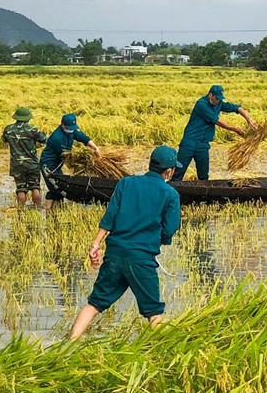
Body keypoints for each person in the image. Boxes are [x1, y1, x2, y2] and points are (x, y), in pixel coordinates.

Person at [69, 145, 182, 339]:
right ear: (169, 171)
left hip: (115, 253)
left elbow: (110, 216)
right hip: (141, 259)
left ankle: (69, 344)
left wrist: (96, 244)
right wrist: (159, 240)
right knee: (154, 312)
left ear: (150, 164)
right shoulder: (170, 194)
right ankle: (163, 352)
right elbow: (170, 228)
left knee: (94, 304)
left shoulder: (126, 183)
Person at [173, 85, 256, 181]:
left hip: (203, 143)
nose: (218, 101)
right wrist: (235, 129)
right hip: (189, 141)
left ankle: (202, 194)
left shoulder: (218, 103)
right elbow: (217, 121)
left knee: (203, 175)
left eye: (220, 99)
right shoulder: (201, 104)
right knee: (178, 172)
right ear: (210, 95)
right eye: (216, 98)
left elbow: (236, 108)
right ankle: (172, 193)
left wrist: (249, 119)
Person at [40, 113, 101, 210]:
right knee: (55, 188)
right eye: (69, 127)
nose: (71, 129)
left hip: (58, 164)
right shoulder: (57, 138)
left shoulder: (71, 131)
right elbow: (67, 155)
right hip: (48, 164)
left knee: (58, 187)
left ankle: (54, 212)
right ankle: (48, 212)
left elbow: (82, 137)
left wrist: (95, 148)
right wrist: (85, 160)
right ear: (62, 125)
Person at [3, 106, 48, 209]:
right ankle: (38, 208)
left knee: (20, 188)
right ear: (27, 118)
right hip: (32, 163)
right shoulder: (32, 129)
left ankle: (21, 210)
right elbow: (45, 139)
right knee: (35, 187)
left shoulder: (8, 129)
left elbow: (4, 139)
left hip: (16, 164)